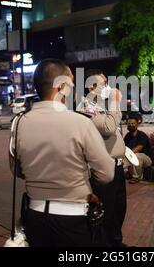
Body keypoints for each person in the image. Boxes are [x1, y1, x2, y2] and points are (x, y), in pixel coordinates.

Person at [12, 59, 115, 247]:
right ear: (61, 86)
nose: (74, 86)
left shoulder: (19, 123)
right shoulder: (80, 122)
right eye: (71, 82)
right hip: (73, 219)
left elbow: (17, 170)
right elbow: (107, 173)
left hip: (34, 216)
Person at [77, 69, 127, 247]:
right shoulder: (86, 106)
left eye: (107, 82)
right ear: (91, 86)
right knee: (106, 214)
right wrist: (115, 102)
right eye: (103, 83)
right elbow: (108, 128)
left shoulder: (102, 106)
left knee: (119, 210)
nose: (108, 86)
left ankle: (116, 244)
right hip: (104, 169)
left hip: (118, 168)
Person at [123, 114, 152, 184]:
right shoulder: (127, 136)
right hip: (131, 156)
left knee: (136, 155)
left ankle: (136, 177)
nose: (130, 125)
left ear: (137, 125)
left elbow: (139, 148)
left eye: (133, 123)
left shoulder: (141, 135)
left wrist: (127, 154)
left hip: (146, 159)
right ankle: (125, 173)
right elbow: (124, 147)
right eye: (129, 124)